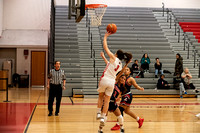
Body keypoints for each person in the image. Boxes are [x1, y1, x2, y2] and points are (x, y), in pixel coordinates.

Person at [96, 32, 132, 131]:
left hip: (105, 79)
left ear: (116, 54)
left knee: (100, 97)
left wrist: (105, 37)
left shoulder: (113, 58)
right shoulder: (119, 65)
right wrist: (126, 64)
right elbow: (112, 68)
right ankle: (120, 127)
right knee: (109, 103)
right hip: (111, 84)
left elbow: (105, 46)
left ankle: (99, 115)